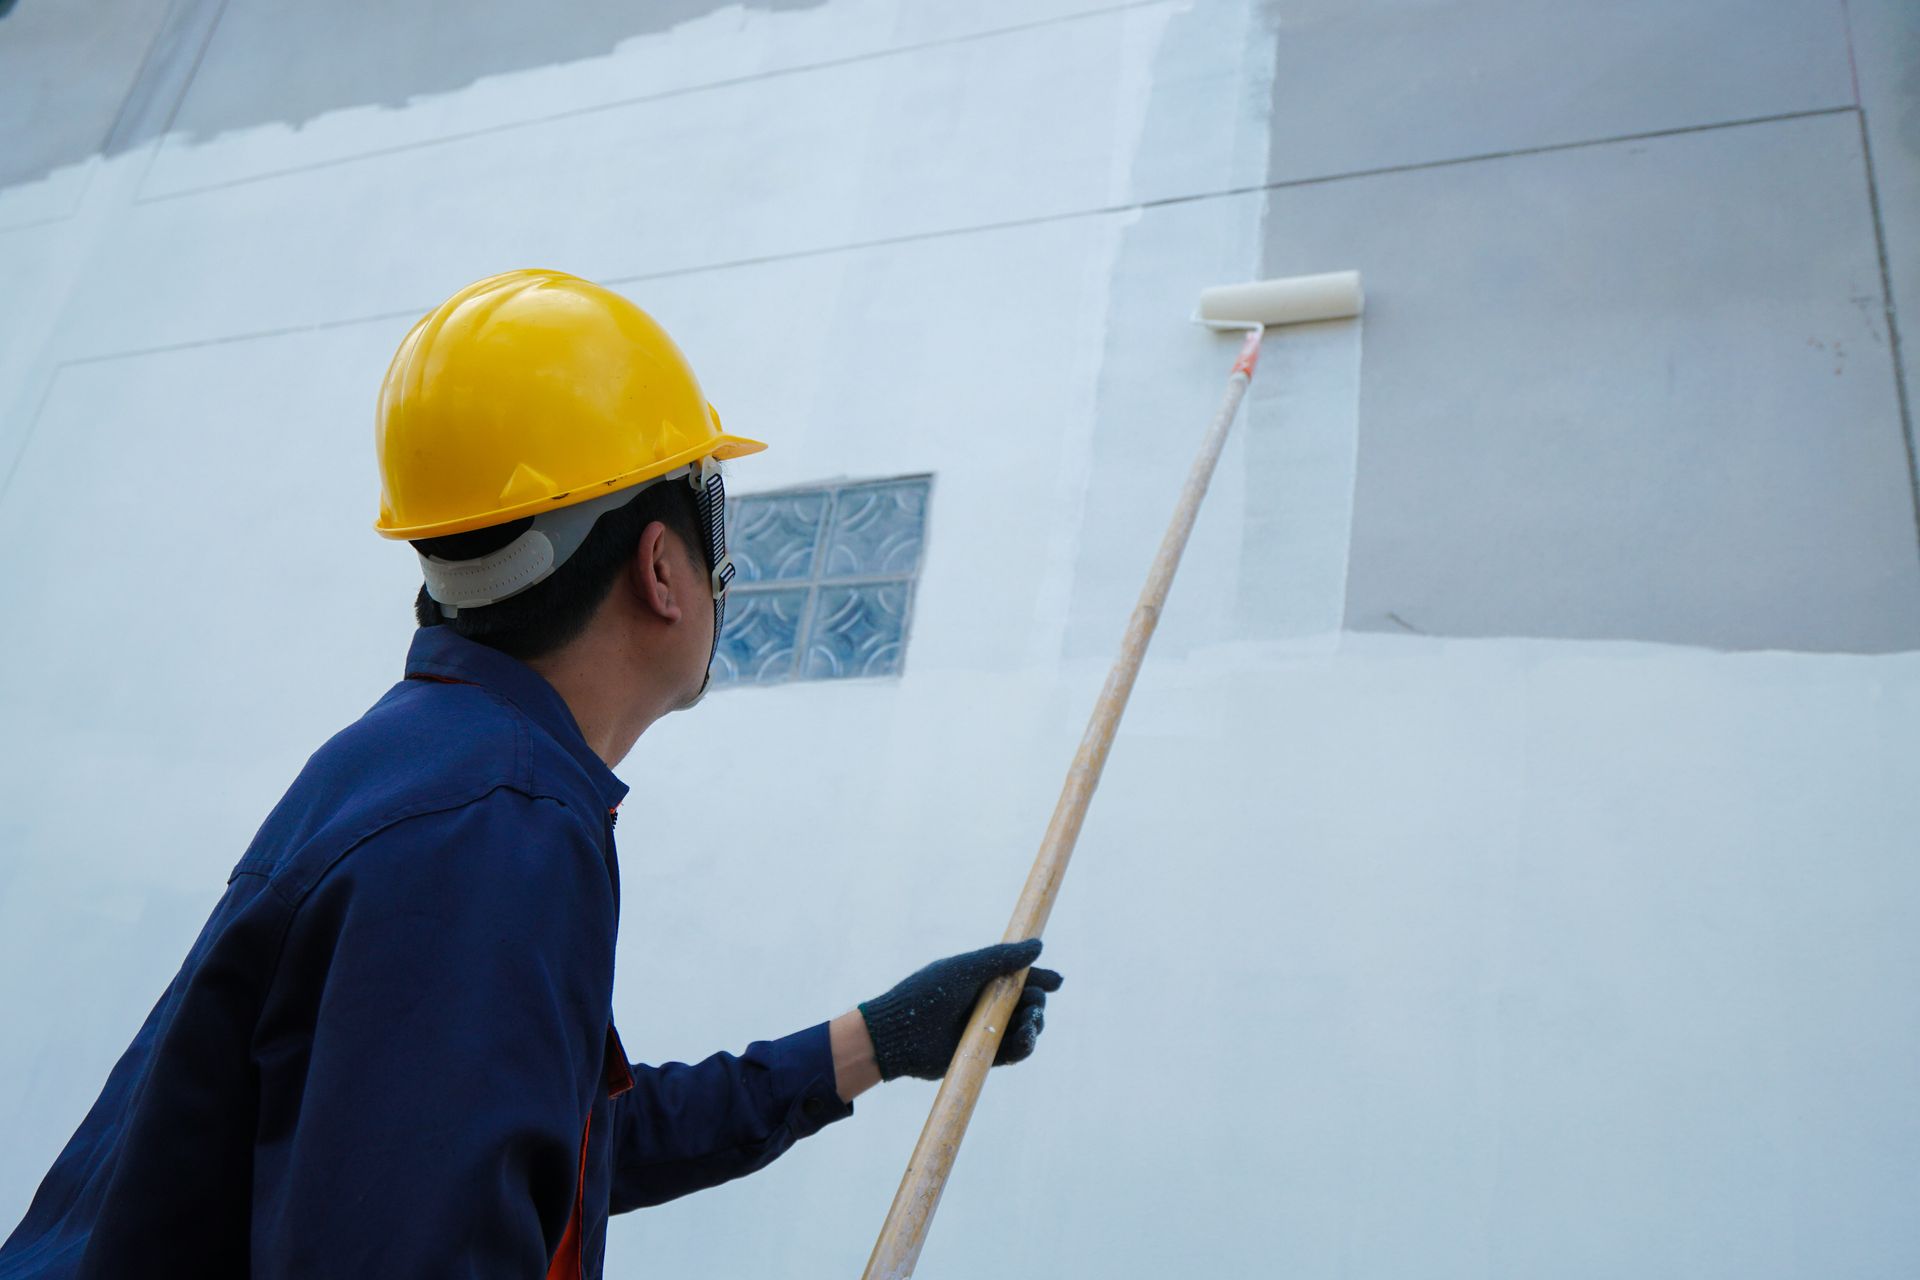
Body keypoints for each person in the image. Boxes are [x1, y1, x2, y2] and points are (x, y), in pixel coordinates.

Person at [0, 268, 1062, 1279]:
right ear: (660, 567)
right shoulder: (493, 827)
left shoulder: (430, 768)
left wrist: (877, 1038)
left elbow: (562, 1139)